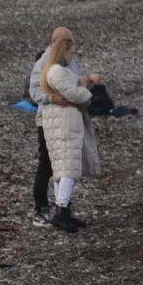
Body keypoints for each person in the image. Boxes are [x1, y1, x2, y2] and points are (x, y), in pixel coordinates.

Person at [31, 28, 102, 234]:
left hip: (63, 118)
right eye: (69, 42)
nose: (73, 46)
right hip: (50, 120)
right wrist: (54, 98)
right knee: (49, 164)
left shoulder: (67, 63)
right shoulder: (46, 64)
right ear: (57, 43)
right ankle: (43, 208)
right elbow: (35, 91)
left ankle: (63, 209)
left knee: (58, 165)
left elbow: (73, 84)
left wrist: (83, 81)